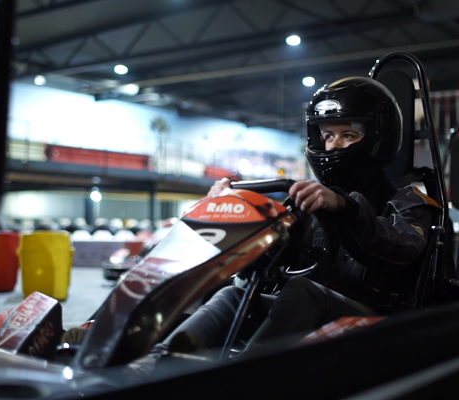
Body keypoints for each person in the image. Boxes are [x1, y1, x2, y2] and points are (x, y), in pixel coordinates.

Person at [135, 76, 442, 363]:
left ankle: (243, 380)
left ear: (378, 139)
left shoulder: (409, 201)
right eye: (329, 135)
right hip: (313, 315)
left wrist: (345, 208)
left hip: (377, 323)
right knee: (233, 294)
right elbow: (271, 259)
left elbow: (400, 249)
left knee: (301, 290)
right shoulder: (310, 201)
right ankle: (157, 366)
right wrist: (229, 209)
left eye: (347, 135)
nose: (334, 145)